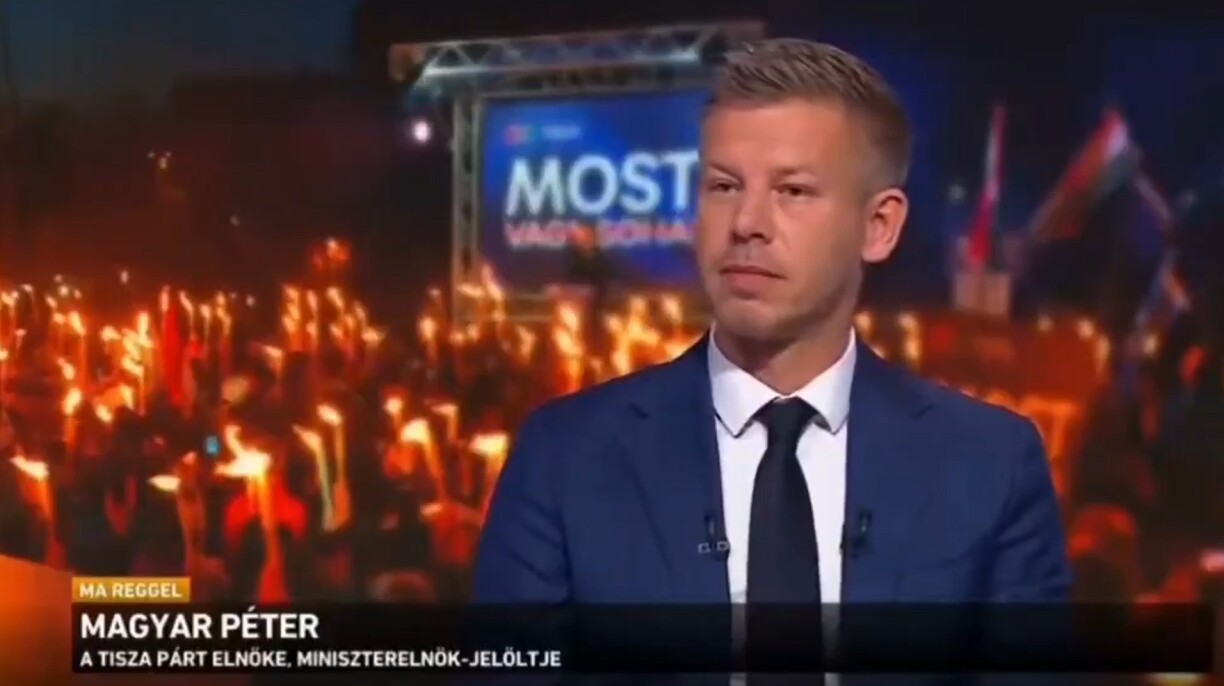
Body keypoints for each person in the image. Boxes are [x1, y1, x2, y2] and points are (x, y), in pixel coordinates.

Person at [474, 37, 1070, 664]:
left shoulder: (991, 466)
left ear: (879, 227)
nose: (746, 223)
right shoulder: (564, 460)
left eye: (792, 191)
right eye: (724, 186)